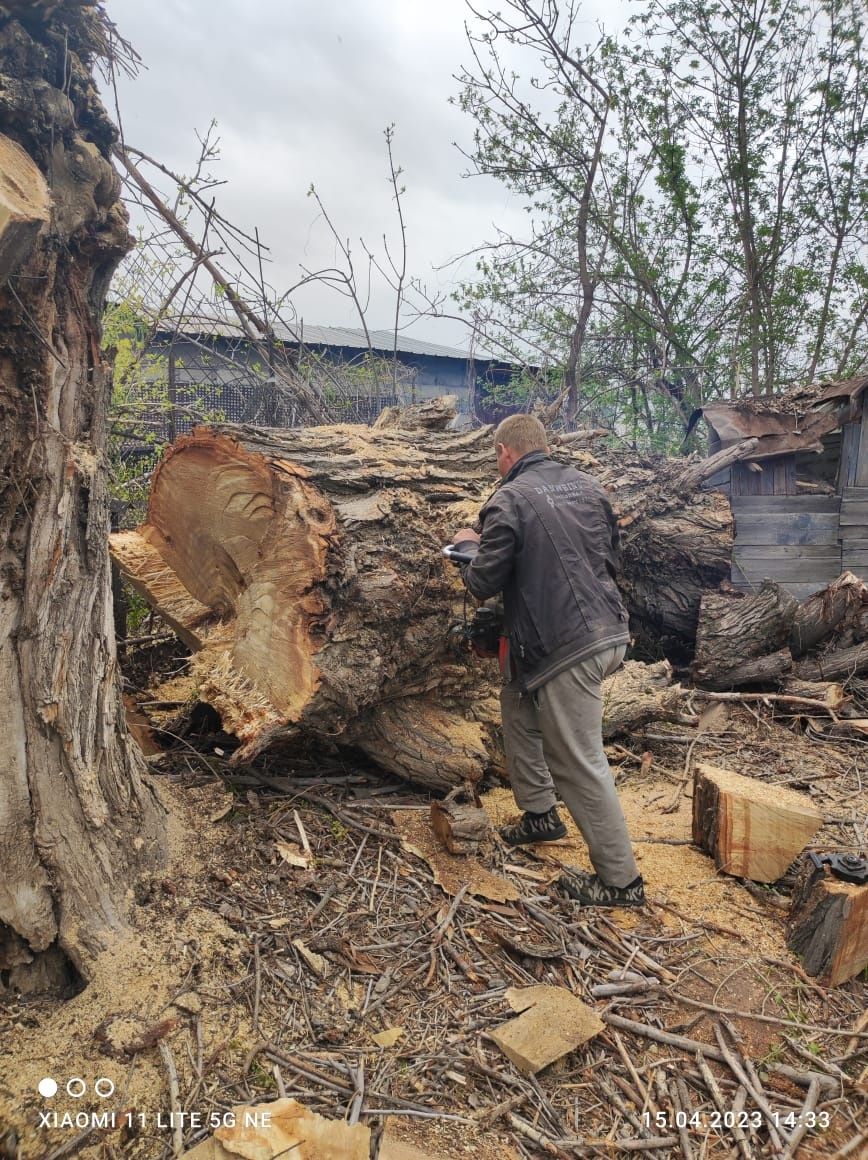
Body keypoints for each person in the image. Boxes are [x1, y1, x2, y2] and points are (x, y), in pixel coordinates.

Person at [451, 413, 644, 908]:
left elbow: (481, 584)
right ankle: (540, 816)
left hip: (567, 646)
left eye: (496, 455)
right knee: (516, 703)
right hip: (604, 628)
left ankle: (620, 883)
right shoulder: (588, 487)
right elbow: (610, 560)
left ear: (505, 452)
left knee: (577, 759)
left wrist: (469, 546)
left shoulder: (508, 500)